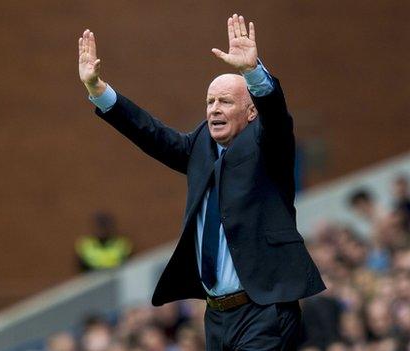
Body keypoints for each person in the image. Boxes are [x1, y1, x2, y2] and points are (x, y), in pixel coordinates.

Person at [78, 14, 325, 350]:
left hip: (264, 311)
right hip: (217, 316)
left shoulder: (269, 145)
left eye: (225, 101)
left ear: (251, 112)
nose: (213, 110)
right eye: (209, 102)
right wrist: (99, 90)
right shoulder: (201, 147)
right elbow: (153, 134)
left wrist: (253, 73)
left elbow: (277, 117)